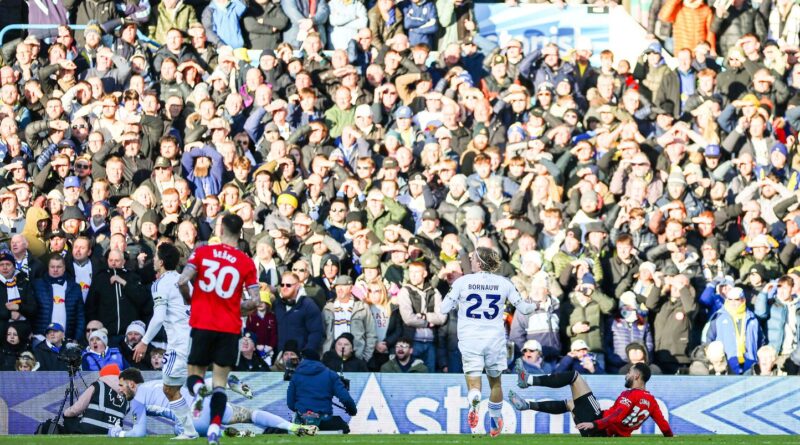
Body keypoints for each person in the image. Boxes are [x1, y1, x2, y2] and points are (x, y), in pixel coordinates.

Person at [178, 214, 259, 445]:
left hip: (202, 323)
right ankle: (214, 429)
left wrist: (188, 301)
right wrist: (237, 309)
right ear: (240, 232)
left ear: (220, 230)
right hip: (229, 329)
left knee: (194, 376)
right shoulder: (246, 262)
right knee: (221, 383)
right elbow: (254, 301)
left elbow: (183, 281)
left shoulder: (202, 252)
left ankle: (200, 390)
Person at [439, 247, 535, 437]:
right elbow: (524, 308)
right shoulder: (504, 283)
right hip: (495, 340)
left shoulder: (463, 282)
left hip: (469, 339)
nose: (471, 261)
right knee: (495, 383)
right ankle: (494, 419)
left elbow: (443, 308)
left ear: (480, 262)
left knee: (474, 385)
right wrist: (535, 305)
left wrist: (457, 300)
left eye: (473, 258)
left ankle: (474, 401)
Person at [112, 369, 317, 437]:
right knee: (250, 414)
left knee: (179, 429)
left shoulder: (138, 397)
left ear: (132, 383)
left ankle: (230, 433)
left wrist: (117, 433)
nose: (120, 390)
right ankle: (292, 427)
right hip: (207, 404)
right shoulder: (158, 383)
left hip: (193, 418)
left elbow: (139, 433)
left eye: (121, 385)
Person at [131, 242, 198, 439]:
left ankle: (189, 431)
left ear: (160, 261)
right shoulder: (184, 280)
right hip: (193, 339)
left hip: (179, 343)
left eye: (155, 257)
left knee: (169, 388)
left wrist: (143, 341)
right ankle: (190, 429)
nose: (153, 261)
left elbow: (159, 317)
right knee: (181, 385)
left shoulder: (161, 283)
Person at [509, 363, 674, 437]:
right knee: (571, 404)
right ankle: (526, 405)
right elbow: (663, 424)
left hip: (599, 428)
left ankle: (528, 380)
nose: (627, 374)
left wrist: (594, 424)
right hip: (603, 433)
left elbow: (616, 416)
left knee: (574, 376)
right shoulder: (651, 401)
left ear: (637, 376)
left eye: (629, 372)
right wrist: (670, 437)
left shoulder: (630, 395)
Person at [287, 348, 357, 433]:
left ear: (303, 359)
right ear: (318, 360)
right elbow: (345, 398)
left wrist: (303, 412)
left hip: (301, 421)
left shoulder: (296, 375)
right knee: (344, 428)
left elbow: (290, 403)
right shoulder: (331, 374)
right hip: (325, 421)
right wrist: (352, 410)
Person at [63, 364, 130, 435]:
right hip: (112, 433)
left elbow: (78, 407)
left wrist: (66, 414)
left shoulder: (98, 385)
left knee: (69, 418)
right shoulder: (126, 393)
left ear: (103, 375)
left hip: (89, 429)